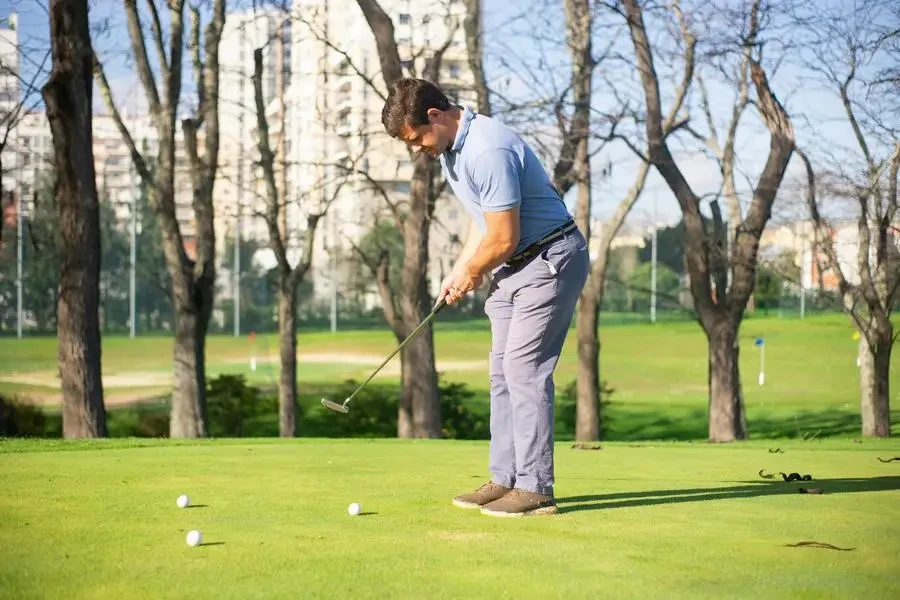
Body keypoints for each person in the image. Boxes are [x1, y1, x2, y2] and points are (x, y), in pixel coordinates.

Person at [380, 78, 588, 517]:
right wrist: (460, 269)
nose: (417, 149)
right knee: (500, 372)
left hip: (549, 257)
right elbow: (485, 220)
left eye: (416, 139)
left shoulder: (486, 149)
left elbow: (504, 237)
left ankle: (535, 487)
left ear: (435, 116)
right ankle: (505, 478)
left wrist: (475, 271)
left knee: (523, 369)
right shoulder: (452, 150)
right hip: (515, 265)